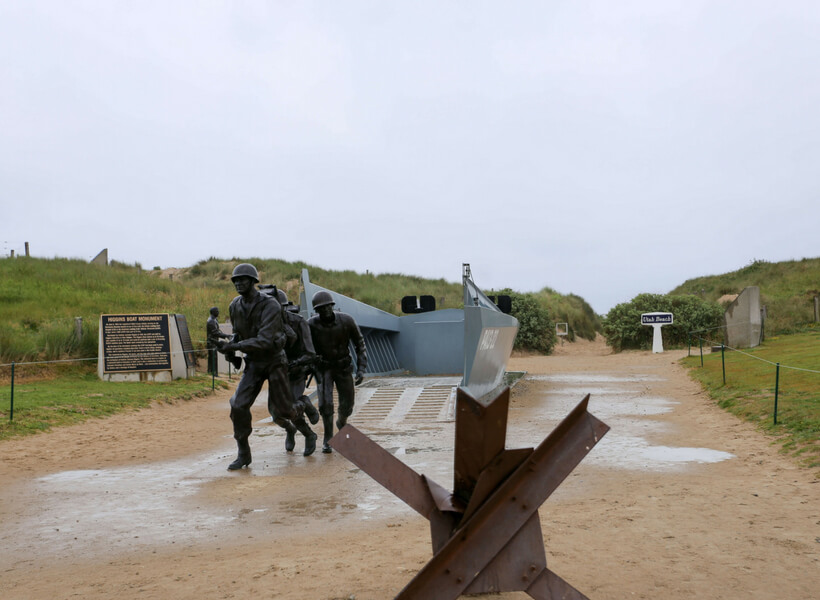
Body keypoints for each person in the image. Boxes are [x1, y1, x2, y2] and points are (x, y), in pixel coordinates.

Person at [217, 263, 317, 470]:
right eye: (235, 280)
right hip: (253, 363)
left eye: (243, 279)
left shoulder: (270, 304)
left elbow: (264, 340)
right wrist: (226, 344)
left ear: (254, 281)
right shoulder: (235, 305)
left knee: (284, 411)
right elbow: (239, 334)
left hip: (274, 361)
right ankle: (244, 453)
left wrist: (234, 345)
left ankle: (303, 405)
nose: (238, 283)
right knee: (237, 405)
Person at [258, 286, 321, 453]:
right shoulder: (265, 325)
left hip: (297, 371)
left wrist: (292, 364)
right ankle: (290, 429)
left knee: (291, 407)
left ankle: (308, 433)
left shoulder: (299, 322)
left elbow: (310, 353)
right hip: (278, 373)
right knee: (276, 414)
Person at [308, 290, 367, 453]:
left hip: (342, 367)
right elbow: (305, 347)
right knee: (325, 405)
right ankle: (328, 438)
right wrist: (311, 364)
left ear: (333, 306)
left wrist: (361, 368)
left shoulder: (347, 321)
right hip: (324, 368)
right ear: (316, 311)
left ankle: (342, 421)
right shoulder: (311, 324)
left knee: (347, 405)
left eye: (327, 307)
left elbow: (360, 344)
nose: (325, 311)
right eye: (321, 309)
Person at [206, 307, 232, 374]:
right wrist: (225, 336)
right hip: (211, 341)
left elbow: (218, 331)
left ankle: (212, 371)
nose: (218, 312)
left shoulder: (215, 320)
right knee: (213, 357)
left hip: (214, 341)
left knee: (213, 357)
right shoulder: (211, 321)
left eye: (218, 311)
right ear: (212, 312)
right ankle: (213, 372)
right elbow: (215, 332)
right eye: (216, 311)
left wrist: (225, 335)